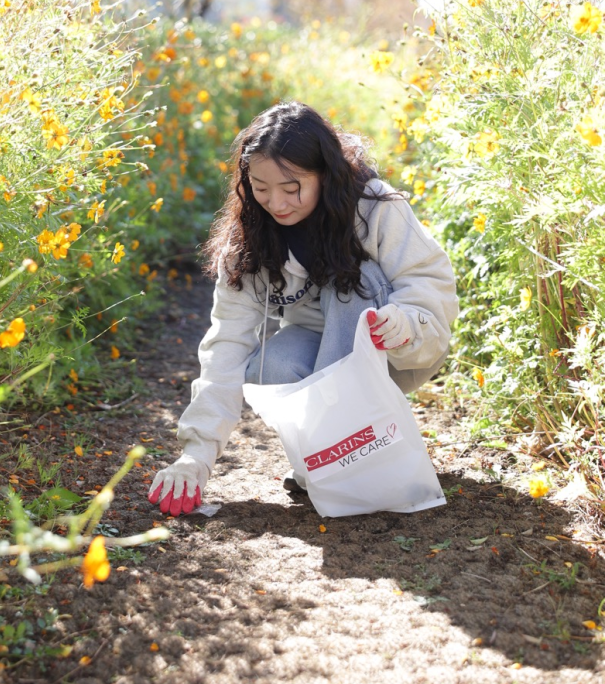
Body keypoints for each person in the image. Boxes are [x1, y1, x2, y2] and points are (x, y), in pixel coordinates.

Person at [148, 101, 458, 516]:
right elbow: (227, 344)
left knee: (354, 284)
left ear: (324, 174)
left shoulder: (375, 206)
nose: (276, 203)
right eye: (261, 188)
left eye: (291, 187)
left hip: (390, 343)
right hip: (318, 344)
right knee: (269, 365)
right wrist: (196, 455)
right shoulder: (248, 242)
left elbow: (429, 281)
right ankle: (328, 461)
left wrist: (406, 325)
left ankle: (350, 454)